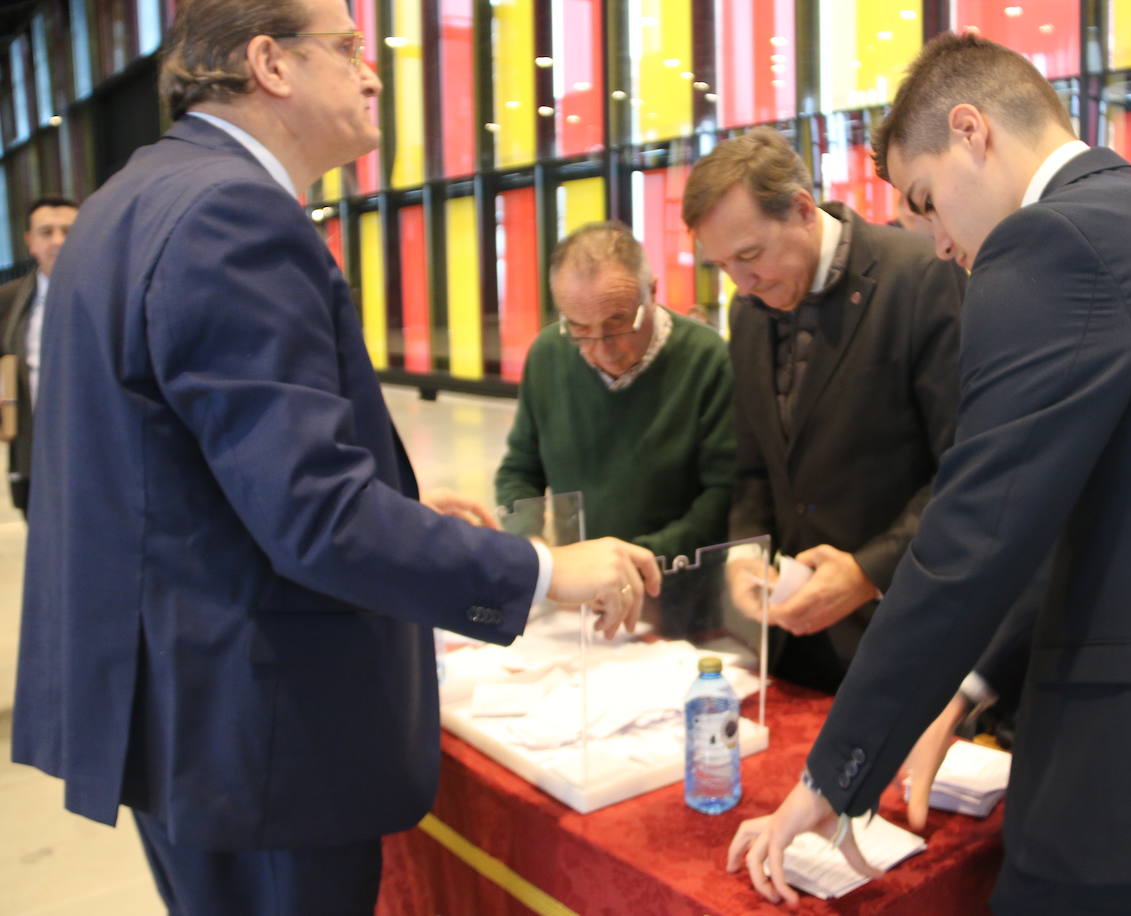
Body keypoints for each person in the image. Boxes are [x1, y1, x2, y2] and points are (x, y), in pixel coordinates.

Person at [10, 2, 660, 914]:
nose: (374, 70)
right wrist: (546, 570)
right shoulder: (233, 214)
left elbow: (188, 468)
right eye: (350, 46)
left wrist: (400, 504)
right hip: (262, 729)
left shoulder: (130, 198)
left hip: (177, 705)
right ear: (270, 63)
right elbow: (316, 517)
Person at [726, 33, 1131, 914]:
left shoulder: (1049, 246)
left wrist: (831, 778)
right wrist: (966, 689)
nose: (943, 243)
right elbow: (1097, 507)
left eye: (927, 201)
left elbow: (972, 537)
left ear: (972, 132)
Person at [682, 126, 970, 695]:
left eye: (750, 255)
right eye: (722, 266)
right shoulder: (747, 312)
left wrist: (869, 572)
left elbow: (963, 466)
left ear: (801, 209)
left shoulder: (920, 277)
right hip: (791, 640)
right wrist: (744, 554)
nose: (742, 282)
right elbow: (753, 465)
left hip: (903, 634)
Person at [495, 220, 734, 564]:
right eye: (579, 328)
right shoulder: (548, 352)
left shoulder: (707, 358)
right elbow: (520, 470)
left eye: (618, 323)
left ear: (652, 293)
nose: (603, 348)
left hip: (680, 577)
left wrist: (636, 561)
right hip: (581, 580)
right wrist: (530, 544)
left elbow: (724, 495)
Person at [0, 196, 79, 517]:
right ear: (31, 242)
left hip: (96, 450)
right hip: (35, 454)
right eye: (46, 232)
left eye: (68, 231)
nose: (58, 241)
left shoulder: (113, 296)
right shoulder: (9, 300)